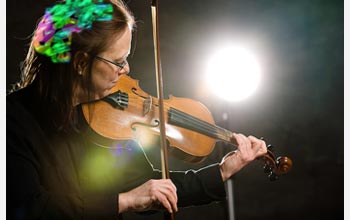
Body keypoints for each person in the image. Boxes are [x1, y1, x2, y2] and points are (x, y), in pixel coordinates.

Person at [6, 0, 267, 219]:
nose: (126, 70)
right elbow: (31, 209)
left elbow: (148, 186)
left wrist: (223, 170)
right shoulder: (12, 120)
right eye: (118, 62)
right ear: (82, 63)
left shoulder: (102, 118)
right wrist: (124, 201)